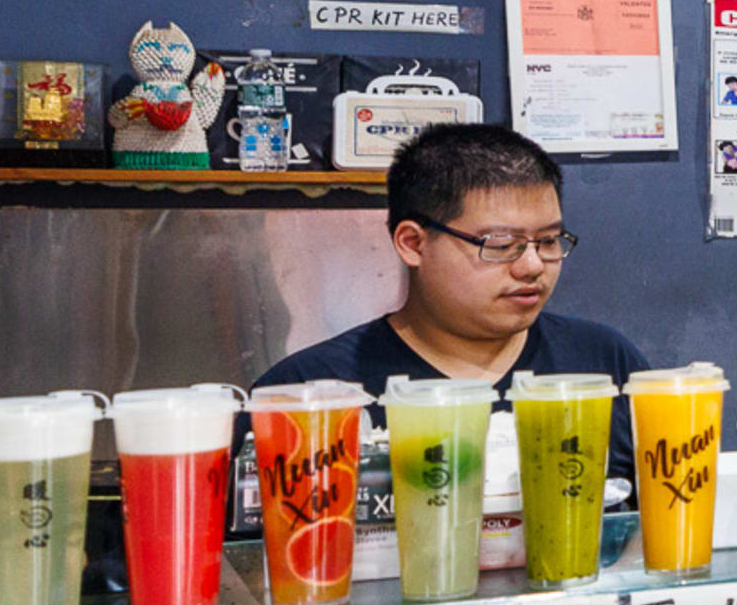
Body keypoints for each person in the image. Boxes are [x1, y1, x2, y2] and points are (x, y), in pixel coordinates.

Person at [256, 123, 652, 401]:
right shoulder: (310, 390)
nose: (532, 266)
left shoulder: (604, 362)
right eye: (501, 244)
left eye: (548, 241)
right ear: (413, 244)